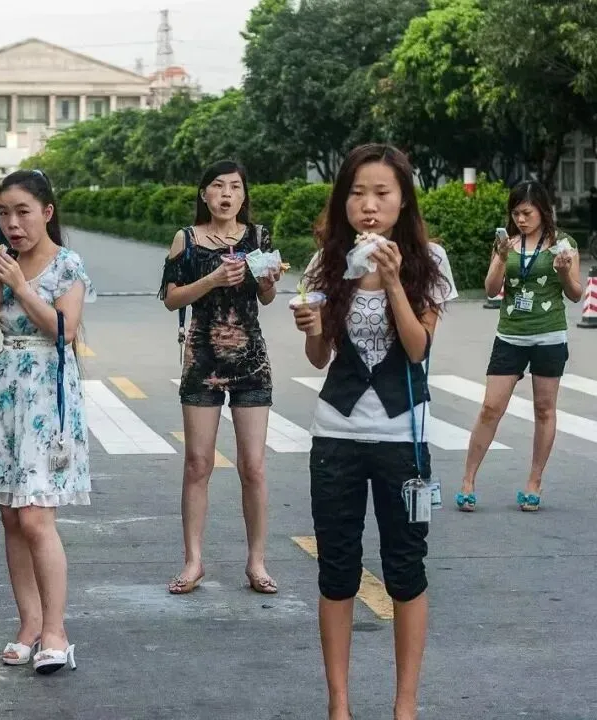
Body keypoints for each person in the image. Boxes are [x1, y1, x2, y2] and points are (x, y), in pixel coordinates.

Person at [291, 144, 456, 720]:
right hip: (335, 432)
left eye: (382, 193)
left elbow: (417, 348)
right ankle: (339, 703)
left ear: (403, 198)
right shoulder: (325, 262)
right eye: (358, 193)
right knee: (337, 568)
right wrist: (311, 326)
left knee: (405, 570)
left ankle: (404, 704)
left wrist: (390, 282)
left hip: (403, 437)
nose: (368, 205)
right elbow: (318, 358)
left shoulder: (428, 261)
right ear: (343, 200)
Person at [0, 169, 95, 675]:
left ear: (47, 212)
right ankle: (28, 623)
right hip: (5, 391)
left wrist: (20, 285)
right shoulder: (1, 265)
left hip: (48, 391)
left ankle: (56, 631)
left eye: (23, 212)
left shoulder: (68, 265)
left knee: (36, 515)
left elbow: (62, 331)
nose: (13, 223)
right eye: (3, 213)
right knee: (9, 515)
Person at [158, 160, 281, 595]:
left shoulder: (259, 237)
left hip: (250, 358)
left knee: (254, 466)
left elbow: (266, 297)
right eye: (217, 186)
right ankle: (193, 561)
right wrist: (211, 278)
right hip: (202, 358)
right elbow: (171, 299)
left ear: (244, 196)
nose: (226, 194)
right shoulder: (186, 239)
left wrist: (267, 279)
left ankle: (257, 562)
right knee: (198, 464)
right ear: (204, 195)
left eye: (234, 187)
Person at [456, 180, 583, 512]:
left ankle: (534, 482)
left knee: (544, 409)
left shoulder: (563, 245)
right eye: (515, 213)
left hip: (549, 335)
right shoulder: (506, 244)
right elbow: (490, 289)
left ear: (542, 210)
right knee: (490, 407)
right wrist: (499, 259)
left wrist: (566, 273)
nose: (521, 219)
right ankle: (468, 480)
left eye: (526, 212)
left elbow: (575, 294)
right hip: (510, 335)